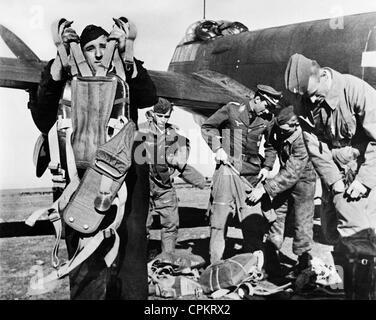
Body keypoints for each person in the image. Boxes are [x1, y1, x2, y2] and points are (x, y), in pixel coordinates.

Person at [30, 22, 158, 299]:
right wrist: (57, 65)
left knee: (132, 242)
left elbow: (149, 96)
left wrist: (129, 52)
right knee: (81, 241)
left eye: (103, 46)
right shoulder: (61, 76)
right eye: (90, 48)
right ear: (79, 52)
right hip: (75, 174)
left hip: (127, 174)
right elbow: (42, 117)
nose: (98, 53)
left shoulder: (125, 72)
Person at [284, 53, 376, 299]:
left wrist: (364, 181)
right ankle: (346, 291)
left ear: (323, 74)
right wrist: (334, 181)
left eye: (314, 94)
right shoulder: (304, 100)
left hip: (361, 171)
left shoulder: (355, 90)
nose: (311, 100)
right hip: (334, 176)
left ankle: (362, 295)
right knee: (332, 233)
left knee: (358, 239)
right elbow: (314, 146)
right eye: (306, 97)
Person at [201, 85, 281, 264]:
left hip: (250, 174)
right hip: (228, 168)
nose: (267, 110)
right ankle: (215, 265)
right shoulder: (232, 109)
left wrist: (267, 167)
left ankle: (251, 268)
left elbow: (271, 145)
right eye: (266, 105)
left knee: (253, 222)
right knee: (219, 220)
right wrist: (218, 148)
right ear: (258, 99)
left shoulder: (268, 119)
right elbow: (207, 127)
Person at [248, 105, 316, 278]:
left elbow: (293, 173)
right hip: (285, 175)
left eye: (295, 126)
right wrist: (267, 166)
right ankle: (271, 261)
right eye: (289, 127)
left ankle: (303, 263)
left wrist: (265, 188)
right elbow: (270, 144)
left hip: (304, 180)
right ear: (280, 123)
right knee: (276, 215)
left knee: (303, 222)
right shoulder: (273, 126)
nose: (293, 130)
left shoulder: (302, 138)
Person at [137, 98, 206, 254]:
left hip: (164, 186)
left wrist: (177, 159)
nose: (163, 120)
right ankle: (140, 259)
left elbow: (183, 152)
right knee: (142, 225)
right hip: (143, 186)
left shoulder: (175, 133)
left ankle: (167, 258)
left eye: (166, 116)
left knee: (171, 224)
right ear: (152, 114)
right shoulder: (140, 132)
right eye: (160, 116)